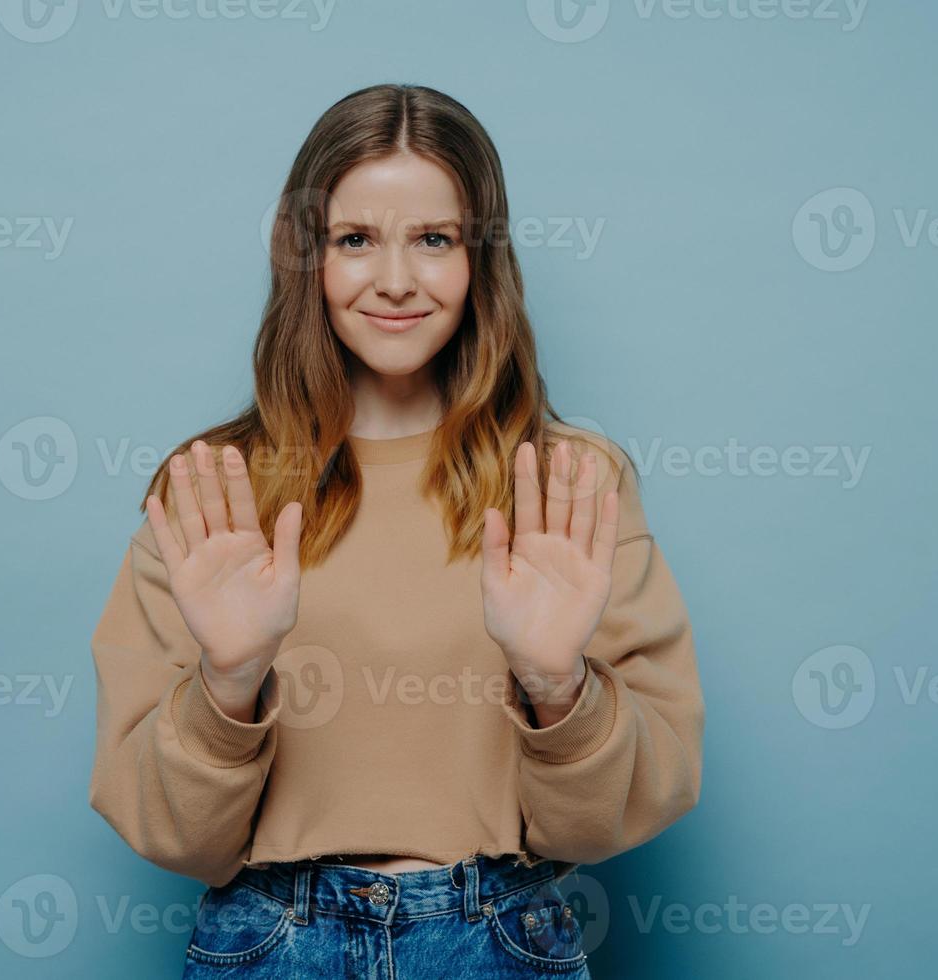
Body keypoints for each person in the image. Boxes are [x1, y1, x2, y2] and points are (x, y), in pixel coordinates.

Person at [89, 82, 705, 978]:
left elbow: (628, 809)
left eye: (433, 239)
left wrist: (556, 686)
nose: (394, 280)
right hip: (270, 947)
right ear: (309, 258)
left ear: (479, 260)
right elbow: (168, 832)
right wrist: (227, 685)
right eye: (354, 240)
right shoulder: (216, 492)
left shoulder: (568, 484)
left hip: (497, 943)